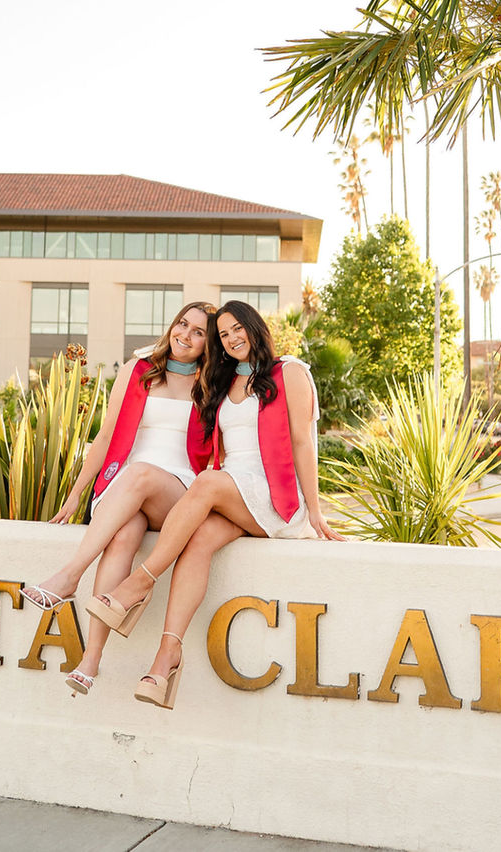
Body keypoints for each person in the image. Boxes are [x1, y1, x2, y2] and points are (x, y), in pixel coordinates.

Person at [86, 300, 345, 709]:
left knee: (206, 485)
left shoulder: (289, 372)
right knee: (200, 540)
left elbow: (302, 442)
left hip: (273, 496)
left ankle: (139, 584)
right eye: (223, 334)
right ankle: (164, 661)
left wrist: (314, 511)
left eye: (237, 328)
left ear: (255, 327)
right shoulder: (223, 381)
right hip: (234, 492)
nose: (232, 338)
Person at [20, 300, 218, 696]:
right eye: (183, 324)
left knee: (141, 473)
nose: (186, 335)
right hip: (127, 489)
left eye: (199, 332)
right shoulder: (138, 371)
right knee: (123, 538)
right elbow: (107, 436)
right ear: (172, 325)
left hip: (176, 493)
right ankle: (90, 662)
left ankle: (70, 575)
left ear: (207, 344)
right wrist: (76, 495)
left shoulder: (210, 384)